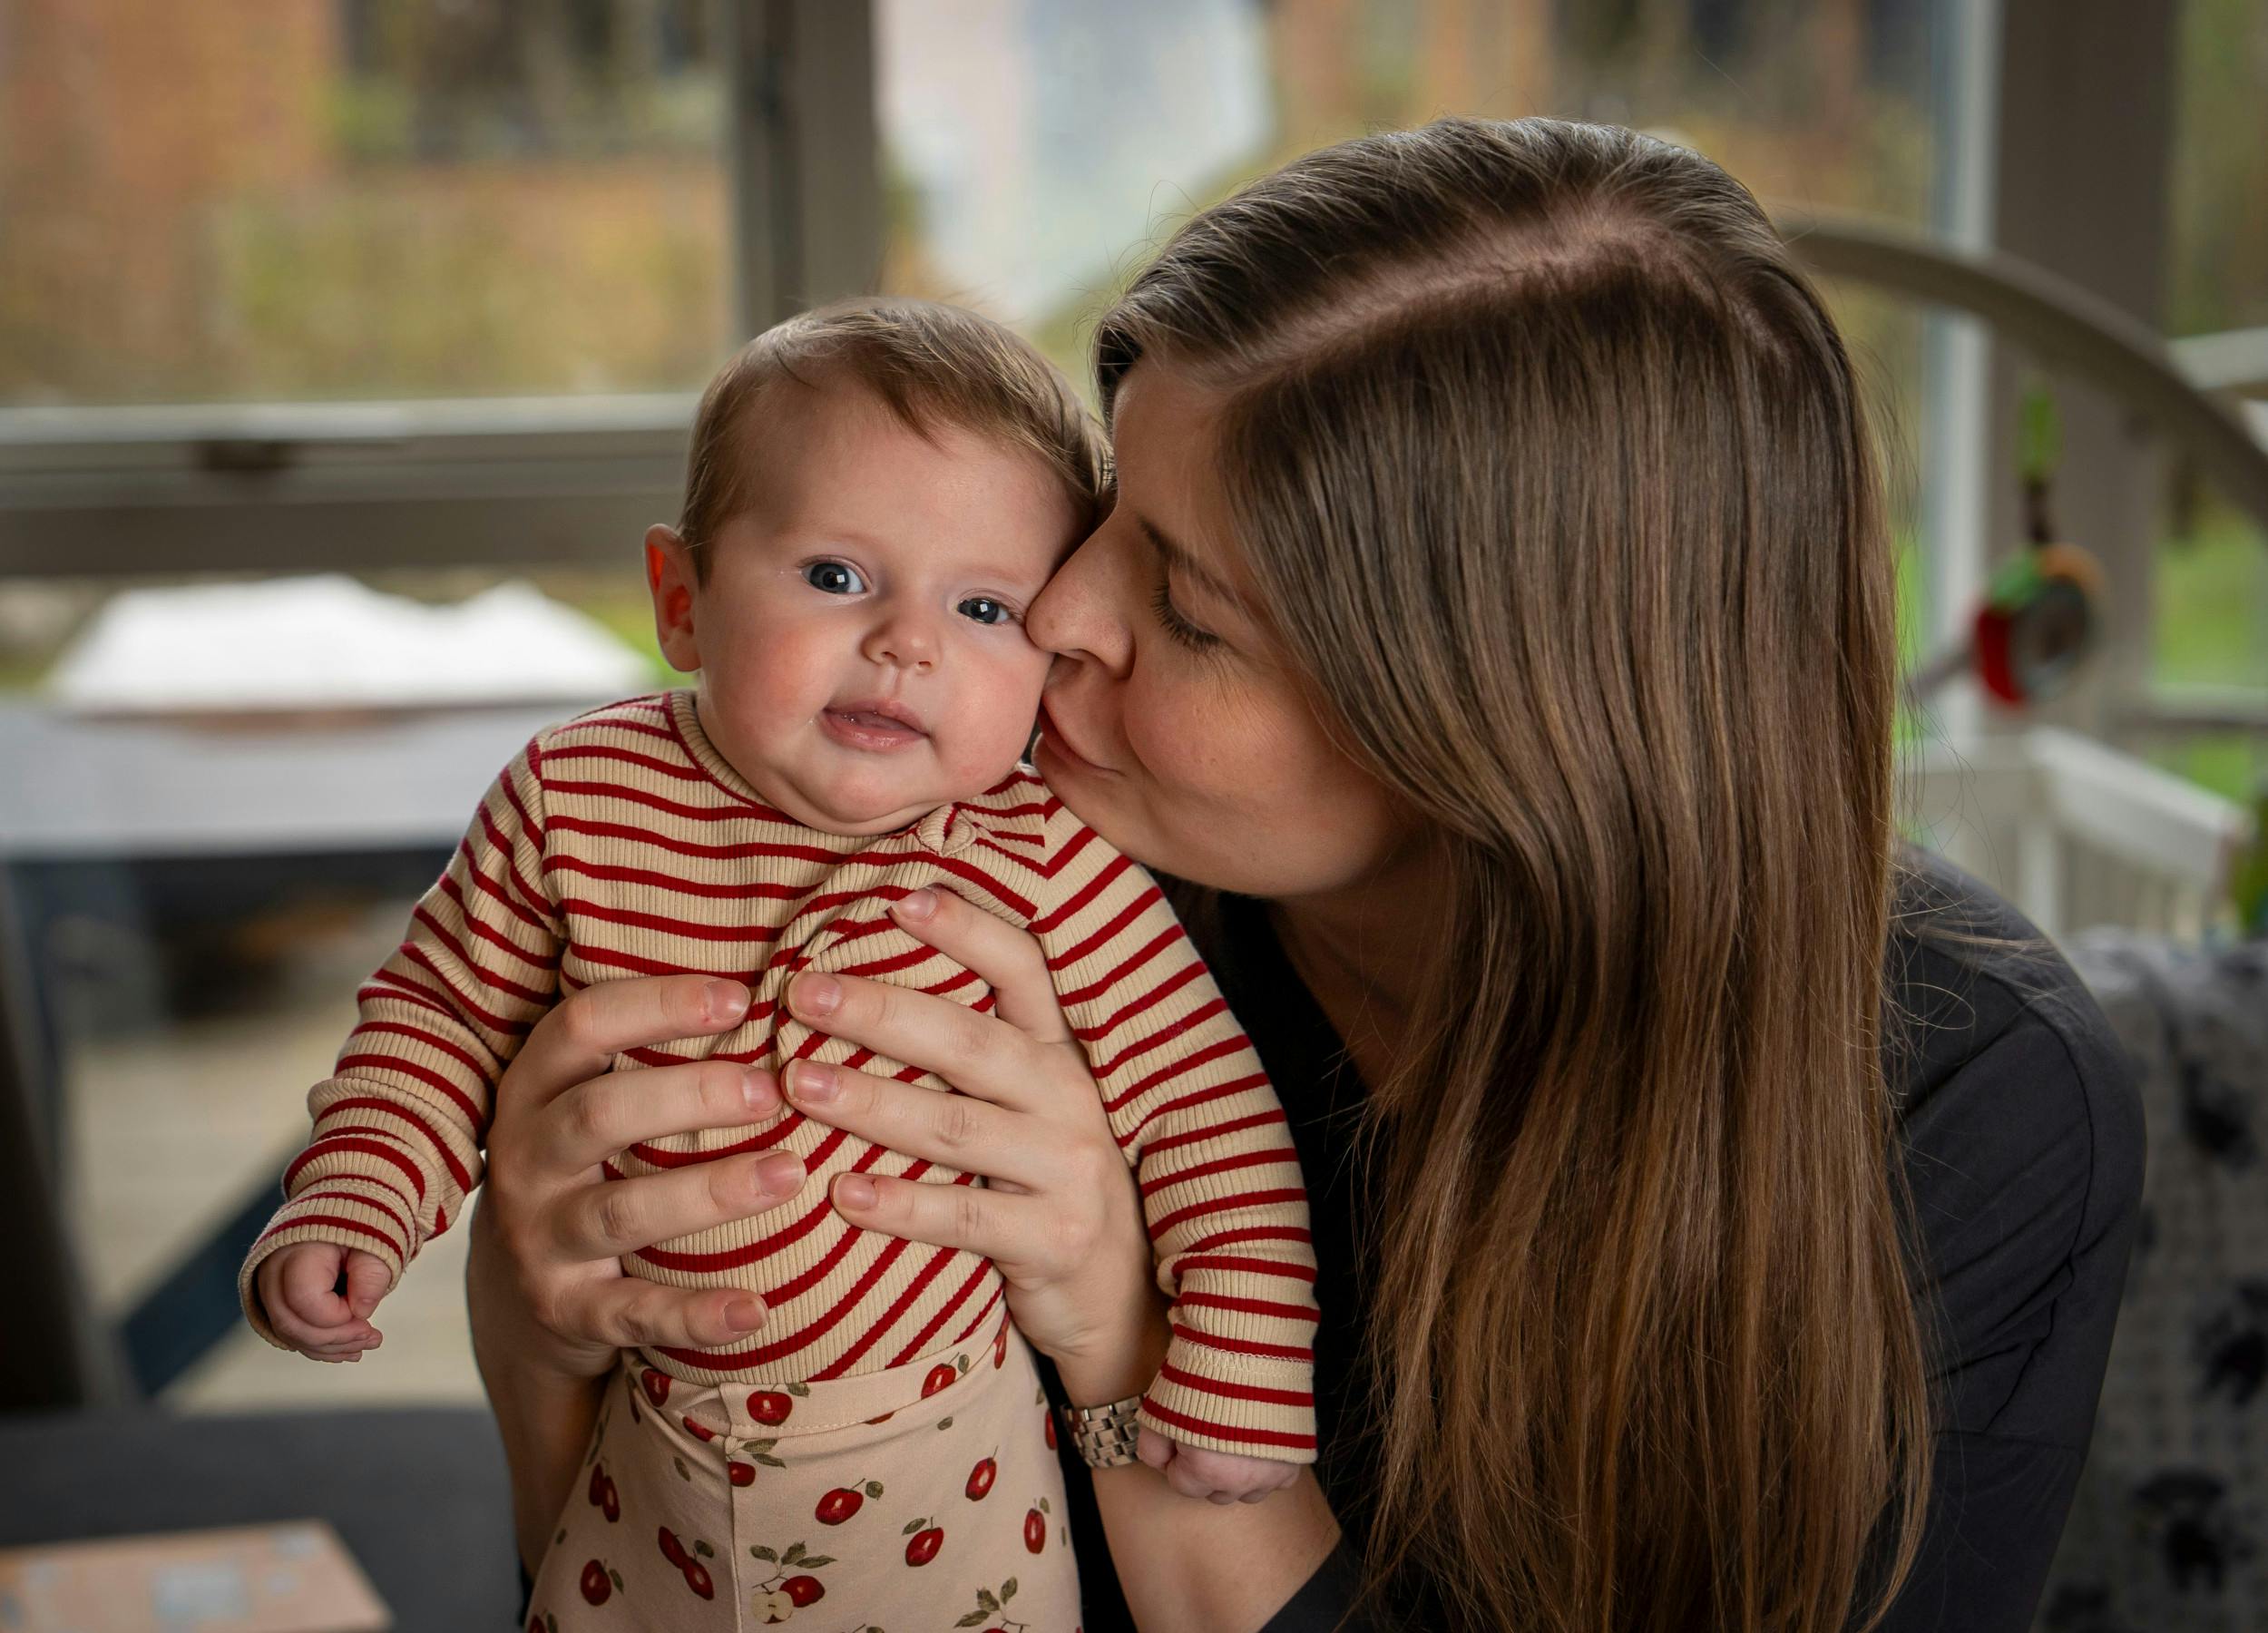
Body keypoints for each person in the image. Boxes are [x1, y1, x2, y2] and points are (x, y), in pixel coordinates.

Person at [467, 118, 2143, 1632]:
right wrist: (543, 1336)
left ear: (1491, 733)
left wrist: (1126, 1350)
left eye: (1188, 610)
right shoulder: (1003, 872)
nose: (1055, 615)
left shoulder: (1976, 1107)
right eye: (1108, 506)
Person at [236, 301, 1319, 1629]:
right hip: (650, 1457)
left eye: (985, 607)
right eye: (838, 577)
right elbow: (437, 1017)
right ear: (681, 600)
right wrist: (353, 1197)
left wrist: (1240, 1365)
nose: (908, 642)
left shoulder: (1045, 856)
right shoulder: (579, 796)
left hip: (948, 1481)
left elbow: (1203, 1110)